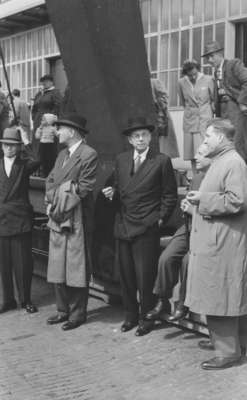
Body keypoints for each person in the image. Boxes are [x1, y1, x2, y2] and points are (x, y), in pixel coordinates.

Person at [103, 116, 177, 336]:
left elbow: (169, 195)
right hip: (124, 225)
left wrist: (159, 219)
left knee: (145, 277)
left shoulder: (161, 160)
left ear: (150, 137)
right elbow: (118, 187)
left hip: (146, 227)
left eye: (145, 134)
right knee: (126, 276)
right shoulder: (122, 159)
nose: (141, 139)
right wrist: (112, 193)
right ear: (130, 140)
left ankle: (147, 318)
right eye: (136, 136)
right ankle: (130, 316)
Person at [185, 118, 247, 370]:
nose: (205, 141)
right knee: (217, 294)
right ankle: (225, 342)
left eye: (208, 136)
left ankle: (228, 352)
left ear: (221, 137)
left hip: (223, 243)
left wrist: (203, 198)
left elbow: (237, 200)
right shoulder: (223, 161)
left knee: (219, 295)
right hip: (216, 240)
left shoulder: (232, 162)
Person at [146, 144, 211, 323]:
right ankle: (162, 300)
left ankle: (183, 303)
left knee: (187, 262)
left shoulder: (218, 179)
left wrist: (193, 211)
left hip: (205, 231)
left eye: (201, 154)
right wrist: (186, 209)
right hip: (188, 227)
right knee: (166, 258)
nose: (195, 157)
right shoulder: (197, 178)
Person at [46, 113, 98, 331]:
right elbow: (50, 180)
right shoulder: (61, 155)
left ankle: (77, 314)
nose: (57, 132)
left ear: (73, 131)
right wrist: (51, 200)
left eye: (60, 129)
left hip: (77, 220)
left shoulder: (89, 154)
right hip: (59, 217)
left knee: (76, 266)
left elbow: (84, 187)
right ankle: (62, 310)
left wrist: (56, 202)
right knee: (58, 263)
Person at [0, 126, 40, 314]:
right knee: (4, 264)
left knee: (23, 262)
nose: (9, 148)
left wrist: (26, 139)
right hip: (1, 220)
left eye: (13, 145)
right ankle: (7, 300)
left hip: (20, 220)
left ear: (18, 147)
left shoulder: (24, 165)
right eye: (6, 145)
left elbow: (38, 159)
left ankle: (25, 300)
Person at [201, 41, 247, 159]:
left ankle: (241, 173)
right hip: (223, 111)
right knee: (226, 143)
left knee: (238, 143)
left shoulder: (233, 64)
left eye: (211, 56)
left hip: (236, 109)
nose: (209, 60)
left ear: (220, 53)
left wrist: (242, 102)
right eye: (207, 58)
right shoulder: (216, 72)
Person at [178, 59, 214, 172]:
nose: (193, 77)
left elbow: (213, 100)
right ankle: (195, 177)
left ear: (198, 70)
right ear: (185, 74)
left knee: (204, 150)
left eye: (194, 74)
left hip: (204, 118)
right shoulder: (181, 82)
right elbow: (183, 102)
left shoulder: (208, 79)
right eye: (189, 75)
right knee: (192, 153)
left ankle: (206, 177)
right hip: (190, 120)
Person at [32, 74, 62, 155]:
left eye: (46, 81)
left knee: (46, 144)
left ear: (51, 82)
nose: (44, 83)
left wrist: (49, 119)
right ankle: (37, 162)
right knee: (37, 142)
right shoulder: (39, 94)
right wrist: (34, 117)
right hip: (38, 121)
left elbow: (58, 107)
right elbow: (34, 107)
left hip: (48, 123)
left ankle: (47, 164)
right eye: (43, 82)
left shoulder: (55, 92)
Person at [151, 78, 179, 159]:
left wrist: (157, 104)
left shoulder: (154, 82)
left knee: (163, 145)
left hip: (160, 117)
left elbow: (164, 97)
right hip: (147, 119)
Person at [35, 113, 58, 177]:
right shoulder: (41, 128)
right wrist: (40, 128)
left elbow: (58, 134)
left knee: (50, 159)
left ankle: (50, 172)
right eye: (42, 120)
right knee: (42, 158)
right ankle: (43, 172)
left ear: (49, 120)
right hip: (42, 145)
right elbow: (37, 137)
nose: (41, 122)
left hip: (50, 145)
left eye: (43, 120)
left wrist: (56, 128)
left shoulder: (52, 128)